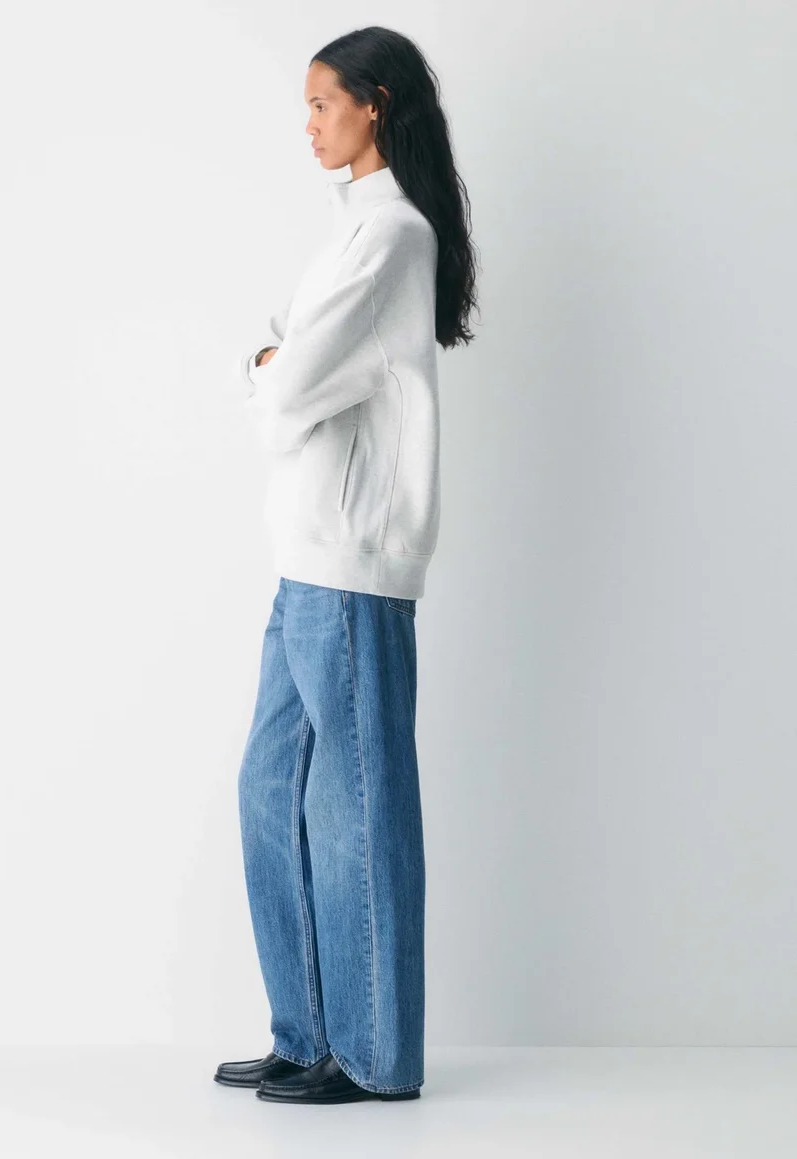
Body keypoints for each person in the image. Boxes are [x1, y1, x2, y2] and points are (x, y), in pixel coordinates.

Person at [216, 26, 479, 1104]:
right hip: (305, 560)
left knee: (356, 806)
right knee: (271, 790)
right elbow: (291, 370)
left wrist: (266, 360)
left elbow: (286, 391)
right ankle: (307, 1032)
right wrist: (277, 360)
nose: (310, 124)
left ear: (375, 104)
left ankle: (372, 1058)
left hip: (353, 560)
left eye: (323, 103)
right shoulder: (353, 234)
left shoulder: (393, 238)